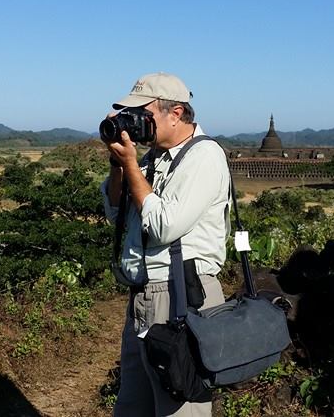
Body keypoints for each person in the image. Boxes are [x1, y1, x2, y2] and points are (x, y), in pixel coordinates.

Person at [101, 72, 231, 417]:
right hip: (144, 297)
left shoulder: (203, 157)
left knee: (180, 408)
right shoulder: (152, 159)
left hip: (182, 297)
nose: (137, 125)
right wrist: (119, 166)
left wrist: (131, 164)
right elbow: (115, 211)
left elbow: (163, 226)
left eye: (144, 115)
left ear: (176, 113)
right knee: (133, 406)